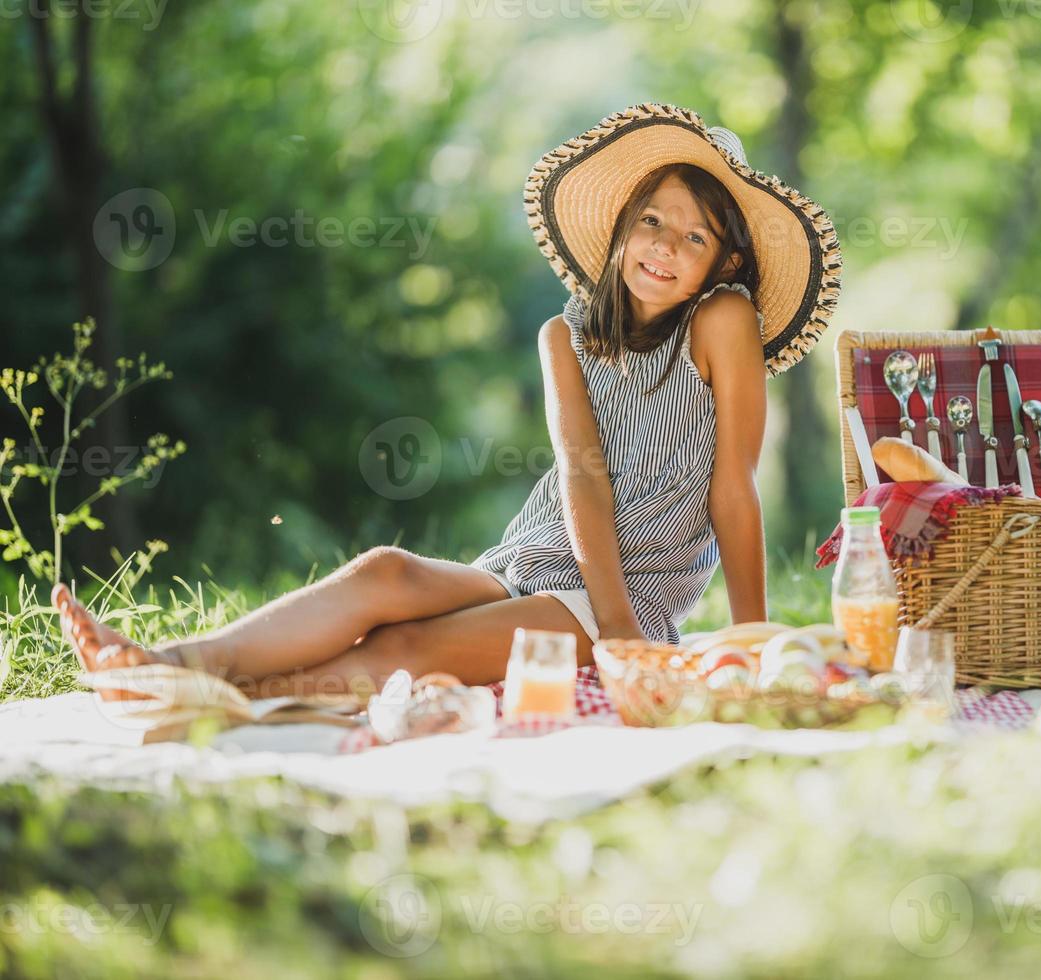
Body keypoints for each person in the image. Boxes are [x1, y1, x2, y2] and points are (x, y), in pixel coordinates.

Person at [53, 102, 842, 698]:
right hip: (541, 554)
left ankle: (235, 698)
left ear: (724, 260)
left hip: (631, 589)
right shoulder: (564, 336)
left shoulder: (721, 320)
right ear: (620, 229)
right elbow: (582, 476)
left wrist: (746, 638)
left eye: (695, 237)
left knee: (406, 654)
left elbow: (732, 488)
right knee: (386, 573)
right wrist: (604, 622)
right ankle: (174, 664)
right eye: (651, 221)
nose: (665, 245)